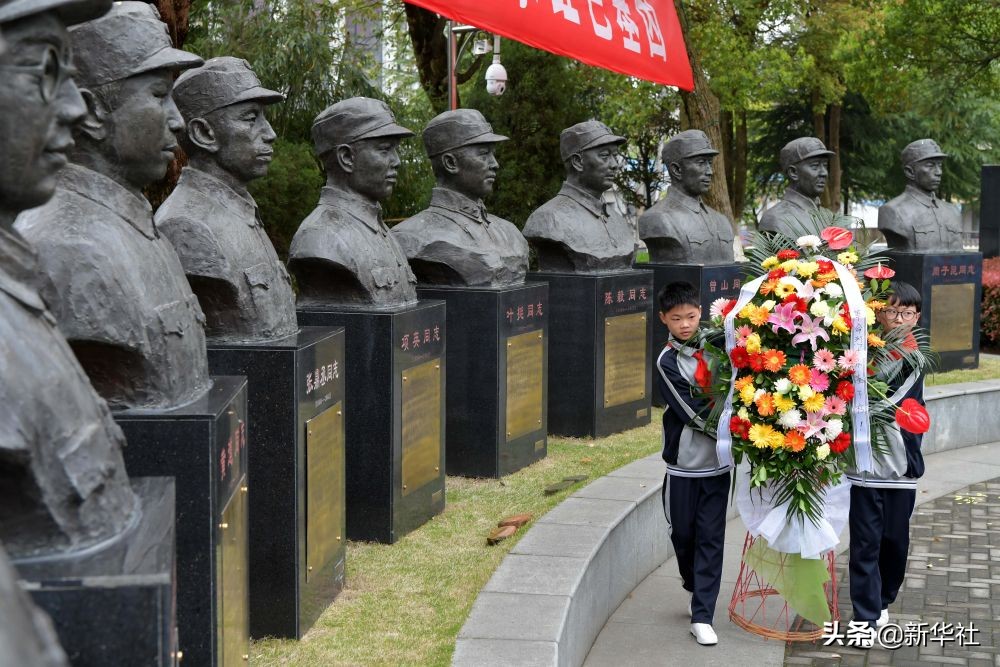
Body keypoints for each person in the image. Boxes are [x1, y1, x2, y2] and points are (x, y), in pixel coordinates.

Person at [15, 1, 209, 410]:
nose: (176, 120)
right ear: (92, 114)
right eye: (158, 95)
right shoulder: (68, 251)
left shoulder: (140, 228)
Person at [156, 56, 298, 342]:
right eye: (250, 118)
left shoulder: (241, 214)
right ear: (204, 133)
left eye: (264, 117)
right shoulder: (186, 225)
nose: (269, 134)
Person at [845, 281, 926, 646]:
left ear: (917, 317)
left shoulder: (916, 356)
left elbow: (891, 400)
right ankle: (863, 615)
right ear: (878, 312)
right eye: (892, 311)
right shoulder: (860, 349)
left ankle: (883, 599)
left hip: (900, 464)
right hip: (864, 464)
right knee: (865, 542)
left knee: (894, 540)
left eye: (907, 313)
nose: (899, 319)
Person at [655, 281, 732, 646]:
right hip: (684, 465)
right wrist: (731, 427)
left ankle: (703, 614)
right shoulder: (667, 361)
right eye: (676, 318)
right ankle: (692, 582)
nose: (685, 324)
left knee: (712, 538)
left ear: (701, 312)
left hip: (718, 465)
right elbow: (688, 410)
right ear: (664, 320)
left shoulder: (721, 345)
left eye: (690, 316)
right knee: (683, 535)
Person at [287, 96, 418, 308]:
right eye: (384, 149)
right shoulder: (320, 238)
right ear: (346, 158)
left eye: (395, 149)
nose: (397, 161)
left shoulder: (381, 231)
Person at [391, 109, 528, 287]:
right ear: (450, 163)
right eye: (483, 153)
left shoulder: (511, 233)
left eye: (492, 154)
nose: (495, 164)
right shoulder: (410, 237)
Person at [523, 119, 636, 272]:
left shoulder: (617, 220)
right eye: (604, 155)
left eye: (615, 155)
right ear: (578, 162)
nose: (614, 164)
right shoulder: (548, 219)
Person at [638, 130, 734, 265]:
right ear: (676, 170)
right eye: (701, 163)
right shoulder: (657, 219)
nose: (710, 171)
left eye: (709, 163)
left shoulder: (721, 221)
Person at [878, 139, 963, 253]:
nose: (939, 172)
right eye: (930, 165)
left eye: (940, 166)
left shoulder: (952, 211)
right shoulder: (893, 211)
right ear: (910, 172)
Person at [758, 137, 834, 237]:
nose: (824, 173)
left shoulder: (828, 217)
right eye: (815, 166)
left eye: (825, 165)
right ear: (793, 172)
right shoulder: (775, 219)